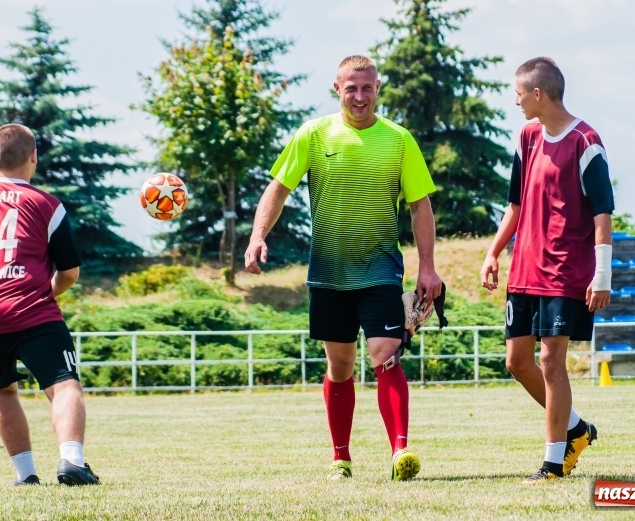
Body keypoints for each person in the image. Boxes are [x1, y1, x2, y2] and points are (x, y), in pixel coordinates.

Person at [245, 55, 443, 481]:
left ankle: (400, 453)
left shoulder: (399, 140)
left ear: (378, 88)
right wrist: (258, 236)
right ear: (337, 89)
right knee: (340, 367)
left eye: (367, 87)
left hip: (380, 269)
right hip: (329, 272)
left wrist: (428, 267)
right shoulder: (313, 135)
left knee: (384, 355)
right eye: (351, 88)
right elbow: (277, 189)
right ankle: (341, 458)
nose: (359, 96)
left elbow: (420, 206)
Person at [479, 57, 614, 482]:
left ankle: (554, 462)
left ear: (538, 93)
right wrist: (493, 252)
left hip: (566, 273)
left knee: (551, 360)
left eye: (518, 93)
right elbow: (515, 206)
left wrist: (603, 274)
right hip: (525, 270)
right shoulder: (527, 137)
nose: (515, 100)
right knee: (517, 362)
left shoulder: (586, 142)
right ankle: (576, 429)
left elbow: (603, 214)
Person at [0, 124, 99, 486]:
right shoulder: (47, 205)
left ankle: (26, 476)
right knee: (64, 384)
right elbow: (69, 272)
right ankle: (72, 462)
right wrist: (49, 292)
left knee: (2, 391)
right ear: (34, 157)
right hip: (31, 309)